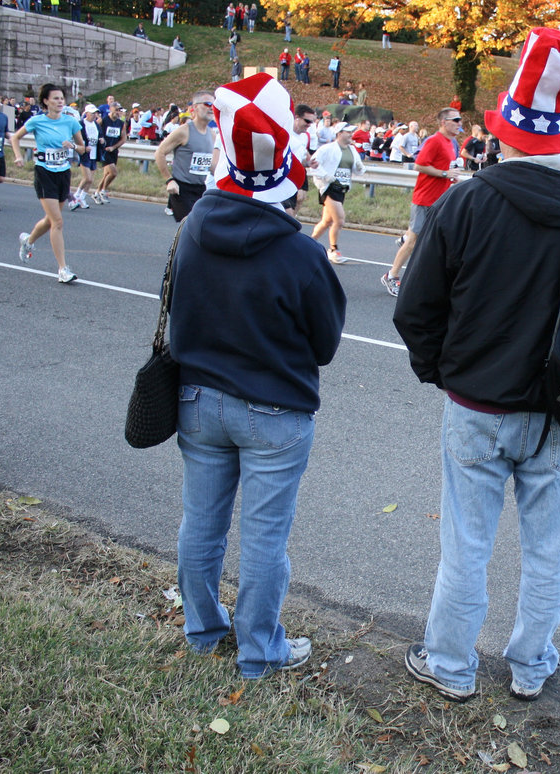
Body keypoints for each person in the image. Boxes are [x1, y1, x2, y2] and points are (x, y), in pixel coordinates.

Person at [393, 27, 560, 704]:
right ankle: (532, 665)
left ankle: (450, 665)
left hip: (477, 405)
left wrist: (446, 373)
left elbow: (414, 312)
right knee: (550, 549)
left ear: (504, 128)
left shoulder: (468, 201)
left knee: (466, 547)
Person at [169, 72, 345, 681]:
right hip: (274, 410)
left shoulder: (192, 229)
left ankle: (201, 629)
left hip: (197, 398)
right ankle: (259, 650)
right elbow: (324, 344)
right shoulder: (301, 254)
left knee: (202, 522)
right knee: (264, 538)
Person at [379, 107, 464, 296]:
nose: (459, 124)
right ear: (443, 122)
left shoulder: (451, 143)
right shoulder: (434, 141)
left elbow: (443, 167)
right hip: (424, 198)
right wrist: (444, 174)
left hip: (438, 199)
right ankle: (391, 275)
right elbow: (419, 165)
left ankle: (406, 239)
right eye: (455, 120)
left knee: (434, 239)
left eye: (460, 121)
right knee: (414, 241)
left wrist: (451, 178)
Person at [9, 83, 86, 284]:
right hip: (44, 172)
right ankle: (63, 269)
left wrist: (74, 146)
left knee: (51, 220)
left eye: (62, 98)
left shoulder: (70, 122)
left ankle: (28, 240)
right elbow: (15, 138)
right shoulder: (37, 121)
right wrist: (18, 157)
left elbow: (83, 149)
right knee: (58, 222)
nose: (60, 102)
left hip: (63, 173)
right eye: (55, 99)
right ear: (46, 101)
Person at [155, 90, 216, 222]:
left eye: (213, 104)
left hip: (202, 189)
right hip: (182, 189)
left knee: (203, 229)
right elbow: (160, 152)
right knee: (191, 225)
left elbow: (211, 165)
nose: (211, 107)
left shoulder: (212, 134)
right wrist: (169, 180)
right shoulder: (183, 131)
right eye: (207, 104)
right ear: (194, 108)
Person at [310, 121, 366, 264]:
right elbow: (313, 163)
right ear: (339, 133)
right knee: (339, 220)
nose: (351, 135)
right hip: (330, 188)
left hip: (343, 189)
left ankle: (309, 243)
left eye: (352, 132)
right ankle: (333, 250)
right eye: (348, 132)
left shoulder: (352, 150)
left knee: (326, 221)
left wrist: (360, 167)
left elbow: (357, 170)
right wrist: (325, 176)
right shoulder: (327, 148)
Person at [93, 100, 126, 203]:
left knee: (107, 174)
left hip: (113, 151)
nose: (118, 112)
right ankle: (103, 190)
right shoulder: (103, 120)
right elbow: (94, 131)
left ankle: (97, 192)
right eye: (116, 110)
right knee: (113, 172)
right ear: (111, 109)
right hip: (104, 150)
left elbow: (123, 138)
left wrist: (114, 147)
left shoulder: (121, 123)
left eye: (119, 110)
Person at [69, 103, 101, 210]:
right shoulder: (81, 124)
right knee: (87, 177)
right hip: (84, 154)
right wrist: (84, 147)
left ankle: (82, 197)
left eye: (95, 113)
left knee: (90, 180)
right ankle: (77, 195)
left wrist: (102, 140)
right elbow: (76, 138)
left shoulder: (96, 125)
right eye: (92, 113)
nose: (94, 115)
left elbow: (100, 135)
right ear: (86, 113)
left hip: (94, 154)